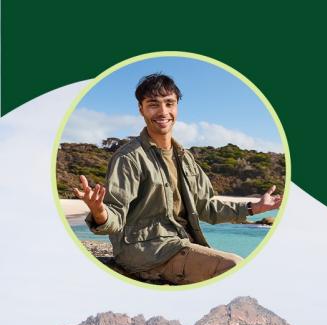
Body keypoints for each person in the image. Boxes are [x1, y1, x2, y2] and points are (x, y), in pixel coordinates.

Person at [75, 72, 281, 284]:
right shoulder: (129, 157)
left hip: (179, 244)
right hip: (145, 252)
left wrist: (253, 208)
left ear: (177, 107)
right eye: (153, 104)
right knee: (234, 266)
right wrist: (99, 211)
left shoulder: (186, 158)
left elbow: (206, 207)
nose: (163, 111)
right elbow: (116, 216)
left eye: (169, 103)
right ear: (141, 109)